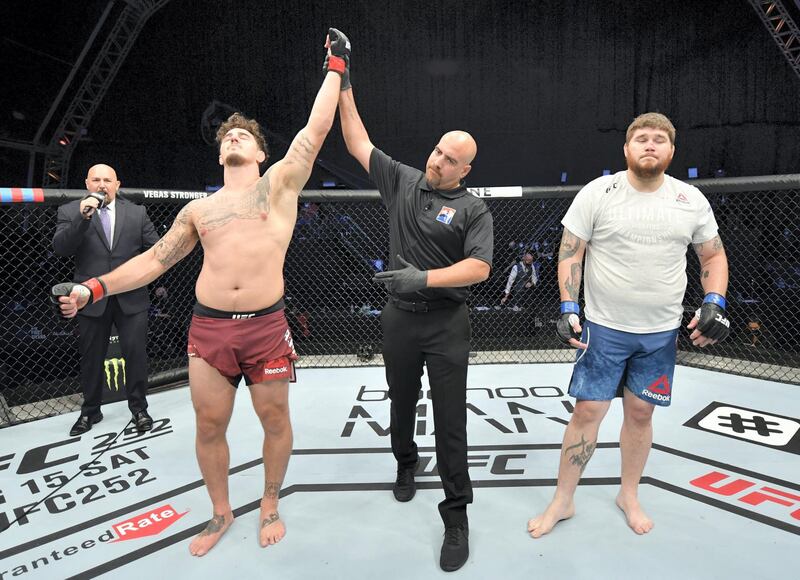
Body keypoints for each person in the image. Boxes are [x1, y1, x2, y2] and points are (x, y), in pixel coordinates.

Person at [53, 28, 350, 556]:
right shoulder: (199, 210)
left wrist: (336, 66)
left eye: (243, 136)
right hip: (210, 328)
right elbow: (152, 261)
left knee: (275, 418)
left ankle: (271, 501)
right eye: (225, 138)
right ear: (219, 157)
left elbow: (315, 130)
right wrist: (94, 286)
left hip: (266, 326)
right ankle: (219, 512)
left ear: (261, 151)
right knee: (210, 424)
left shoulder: (279, 185)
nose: (232, 138)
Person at [527, 112, 730, 539]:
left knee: (641, 413)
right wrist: (568, 305)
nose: (650, 144)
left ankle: (629, 493)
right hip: (604, 327)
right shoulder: (599, 192)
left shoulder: (690, 199)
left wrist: (715, 301)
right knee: (587, 412)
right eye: (641, 138)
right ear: (626, 148)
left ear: (672, 151)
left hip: (659, 332)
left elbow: (712, 256)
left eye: (659, 139)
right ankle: (563, 500)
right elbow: (571, 252)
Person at [338, 67, 493, 572]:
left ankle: (456, 518)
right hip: (399, 320)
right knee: (400, 403)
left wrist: (422, 278)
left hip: (447, 322)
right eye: (437, 151)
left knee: (450, 422)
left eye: (451, 160)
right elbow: (357, 139)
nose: (438, 161)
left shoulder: (473, 209)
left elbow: (480, 268)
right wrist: (342, 81)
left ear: (464, 169)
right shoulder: (403, 179)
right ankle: (405, 464)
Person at [52, 164, 159, 436]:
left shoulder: (136, 213)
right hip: (90, 298)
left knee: (135, 355)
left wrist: (154, 282)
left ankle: (139, 409)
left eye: (107, 180)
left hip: (131, 297)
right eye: (96, 180)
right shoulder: (70, 211)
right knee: (91, 357)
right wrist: (82, 218)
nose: (102, 184)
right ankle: (90, 412)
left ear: (117, 184)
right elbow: (61, 248)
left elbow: (156, 250)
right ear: (87, 184)